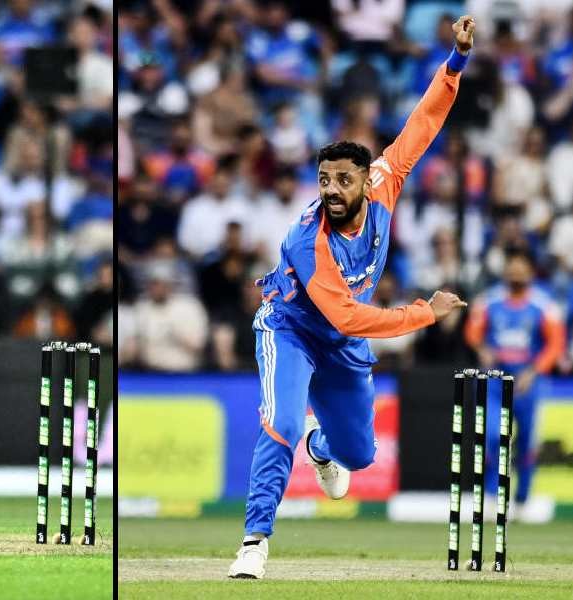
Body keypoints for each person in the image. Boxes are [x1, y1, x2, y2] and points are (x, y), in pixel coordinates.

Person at [227, 16, 476, 580]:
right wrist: (423, 312)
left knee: (359, 456)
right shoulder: (306, 240)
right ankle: (254, 542)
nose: (332, 190)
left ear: (366, 180)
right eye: (324, 180)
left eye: (343, 180)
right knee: (281, 423)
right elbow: (346, 312)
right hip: (290, 328)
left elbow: (424, 122)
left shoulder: (387, 180)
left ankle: (322, 445)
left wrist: (456, 62)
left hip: (342, 345)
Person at [464, 248, 565, 518]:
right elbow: (473, 331)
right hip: (495, 380)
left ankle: (522, 499)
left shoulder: (545, 305)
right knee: (493, 436)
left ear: (531, 272)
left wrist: (534, 371)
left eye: (521, 268)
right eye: (512, 267)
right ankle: (491, 496)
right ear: (505, 270)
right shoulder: (489, 301)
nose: (516, 272)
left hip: (528, 383)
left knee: (528, 443)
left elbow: (555, 344)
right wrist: (482, 348)